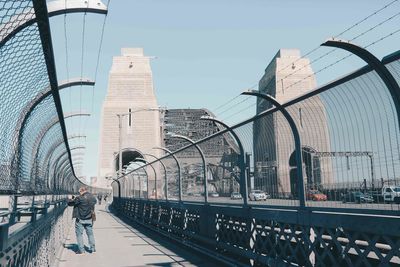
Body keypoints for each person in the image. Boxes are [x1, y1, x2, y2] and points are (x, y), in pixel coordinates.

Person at [67, 186, 97, 254]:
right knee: (90, 234)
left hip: (80, 219)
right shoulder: (92, 197)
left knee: (79, 234)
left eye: (79, 192)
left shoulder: (79, 198)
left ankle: (81, 250)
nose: (79, 193)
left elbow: (70, 204)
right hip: (89, 218)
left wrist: (69, 199)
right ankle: (93, 248)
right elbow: (94, 202)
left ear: (81, 191)